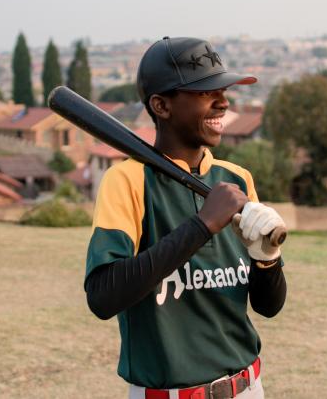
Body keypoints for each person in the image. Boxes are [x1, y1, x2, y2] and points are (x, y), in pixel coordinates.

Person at [85, 36, 287, 399]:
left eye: (223, 89)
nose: (223, 102)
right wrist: (202, 226)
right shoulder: (128, 180)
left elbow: (268, 307)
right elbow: (103, 296)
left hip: (247, 387)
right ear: (161, 106)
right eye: (205, 92)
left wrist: (267, 260)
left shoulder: (236, 179)